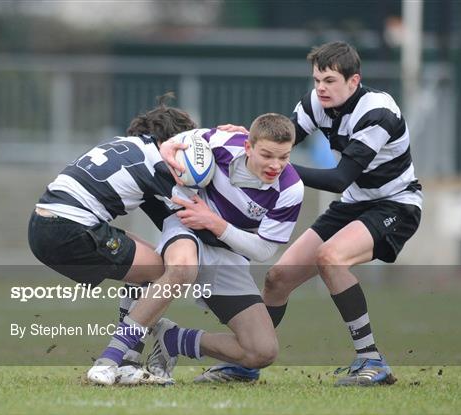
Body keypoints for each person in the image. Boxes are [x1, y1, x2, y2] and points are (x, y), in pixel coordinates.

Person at [193, 41, 423, 386]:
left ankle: (372, 360)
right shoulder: (316, 103)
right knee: (277, 278)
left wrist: (271, 166)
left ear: (354, 81)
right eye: (317, 80)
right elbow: (281, 139)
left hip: (396, 205)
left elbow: (338, 178)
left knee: (330, 257)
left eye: (329, 80)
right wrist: (251, 141)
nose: (320, 88)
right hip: (353, 203)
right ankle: (248, 362)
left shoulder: (378, 113)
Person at [87, 113, 304, 385]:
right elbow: (170, 144)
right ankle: (111, 360)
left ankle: (173, 339)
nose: (276, 165)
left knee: (262, 351)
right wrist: (170, 151)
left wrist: (216, 224)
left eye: (284, 157)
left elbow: (263, 251)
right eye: (268, 155)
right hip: (186, 227)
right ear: (248, 147)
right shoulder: (222, 141)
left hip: (226, 251)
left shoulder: (291, 189)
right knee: (182, 268)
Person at [28, 94, 198, 384]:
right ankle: (122, 361)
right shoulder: (155, 159)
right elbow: (186, 212)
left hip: (40, 225)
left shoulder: (123, 145)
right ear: (171, 141)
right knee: (162, 273)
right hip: (71, 229)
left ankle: (128, 361)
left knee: (146, 264)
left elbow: (159, 212)